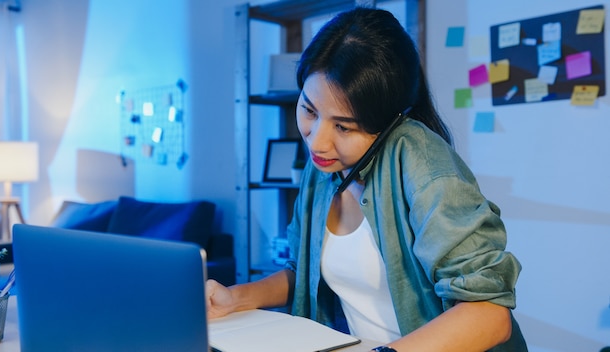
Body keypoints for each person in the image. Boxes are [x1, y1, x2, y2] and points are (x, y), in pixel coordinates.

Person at [207, 7, 528, 352]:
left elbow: (489, 315)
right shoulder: (325, 166)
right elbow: (304, 272)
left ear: (389, 122)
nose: (317, 141)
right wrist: (234, 298)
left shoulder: (422, 163)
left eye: (343, 126)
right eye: (309, 110)